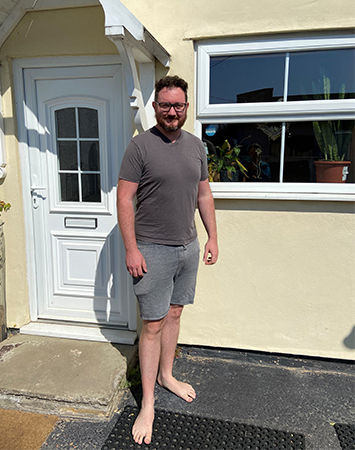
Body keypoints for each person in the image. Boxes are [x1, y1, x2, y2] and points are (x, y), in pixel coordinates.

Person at [117, 75, 218, 445]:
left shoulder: (196, 146)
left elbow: (203, 195)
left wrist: (212, 237)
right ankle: (147, 403)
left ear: (186, 108)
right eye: (165, 105)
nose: (172, 111)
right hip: (152, 250)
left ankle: (167, 376)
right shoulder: (140, 147)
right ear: (155, 107)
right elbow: (124, 199)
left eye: (178, 105)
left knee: (175, 313)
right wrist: (131, 248)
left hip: (187, 247)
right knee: (154, 324)